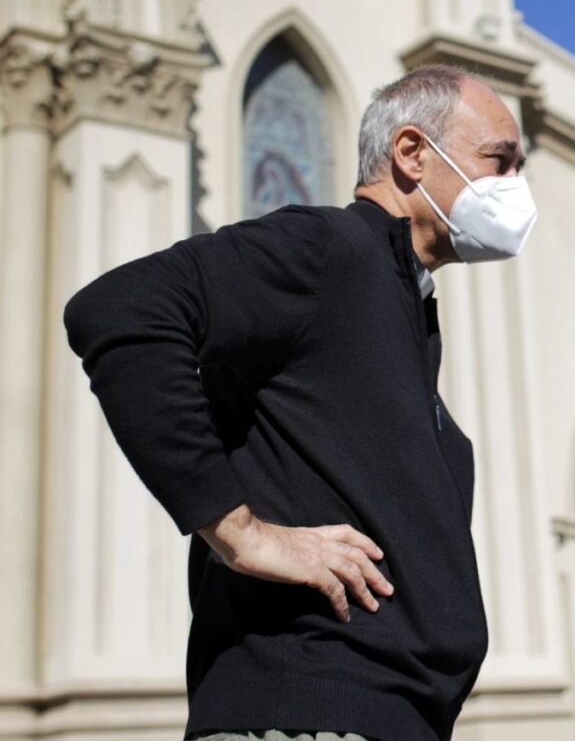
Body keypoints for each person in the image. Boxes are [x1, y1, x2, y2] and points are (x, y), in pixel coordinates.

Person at [64, 65, 538, 741]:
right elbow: (121, 310)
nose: (515, 189)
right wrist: (241, 534)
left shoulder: (403, 302)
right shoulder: (330, 251)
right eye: (500, 161)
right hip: (310, 713)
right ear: (411, 154)